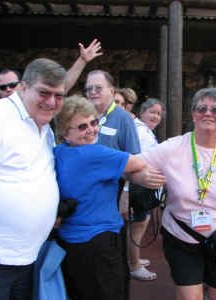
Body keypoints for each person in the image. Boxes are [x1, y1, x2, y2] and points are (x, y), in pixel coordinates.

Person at [140, 87, 216, 300]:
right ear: (193, 114)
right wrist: (139, 177)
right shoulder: (173, 148)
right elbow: (134, 164)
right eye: (202, 109)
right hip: (181, 236)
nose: (208, 113)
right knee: (191, 297)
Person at [53, 95, 165, 300]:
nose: (91, 129)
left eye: (94, 122)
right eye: (81, 127)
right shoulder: (95, 153)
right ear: (64, 133)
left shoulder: (58, 152)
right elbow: (138, 162)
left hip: (70, 243)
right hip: (100, 242)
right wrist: (139, 176)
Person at [0, 58, 67, 299]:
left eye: (59, 96)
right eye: (44, 93)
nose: (51, 102)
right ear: (23, 87)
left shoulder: (43, 125)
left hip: (29, 259)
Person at [84, 70, 141, 300]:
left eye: (98, 87)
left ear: (112, 91)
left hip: (112, 195)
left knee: (114, 256)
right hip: (84, 196)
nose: (93, 92)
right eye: (89, 88)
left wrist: (126, 193)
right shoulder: (82, 115)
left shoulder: (123, 119)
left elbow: (135, 159)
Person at [128, 98, 165, 281]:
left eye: (158, 114)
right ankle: (133, 265)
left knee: (143, 221)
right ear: (142, 112)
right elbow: (140, 159)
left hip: (143, 185)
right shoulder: (140, 132)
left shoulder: (144, 130)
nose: (155, 116)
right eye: (152, 112)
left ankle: (134, 257)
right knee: (139, 223)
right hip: (139, 186)